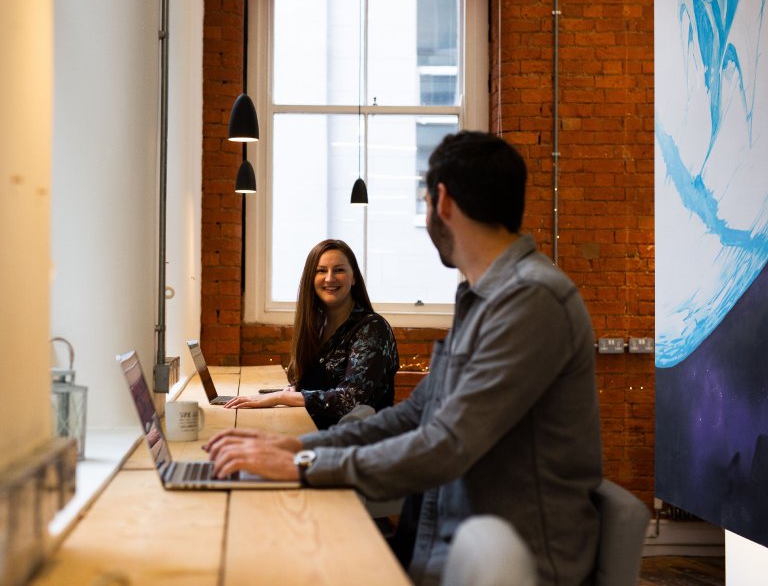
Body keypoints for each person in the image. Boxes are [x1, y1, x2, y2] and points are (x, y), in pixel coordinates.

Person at [206, 131, 603, 586]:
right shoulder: (483, 296)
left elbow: (447, 445)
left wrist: (304, 466)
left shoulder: (530, 301)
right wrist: (299, 447)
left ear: (443, 201)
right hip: (438, 539)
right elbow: (416, 414)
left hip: (503, 561)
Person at [223, 238, 400, 429]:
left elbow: (350, 399)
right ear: (311, 278)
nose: (330, 278)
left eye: (339, 270)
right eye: (321, 270)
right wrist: (293, 390)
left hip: (358, 446)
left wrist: (283, 397)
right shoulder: (316, 324)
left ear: (354, 277)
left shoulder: (373, 329)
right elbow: (308, 381)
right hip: (313, 431)